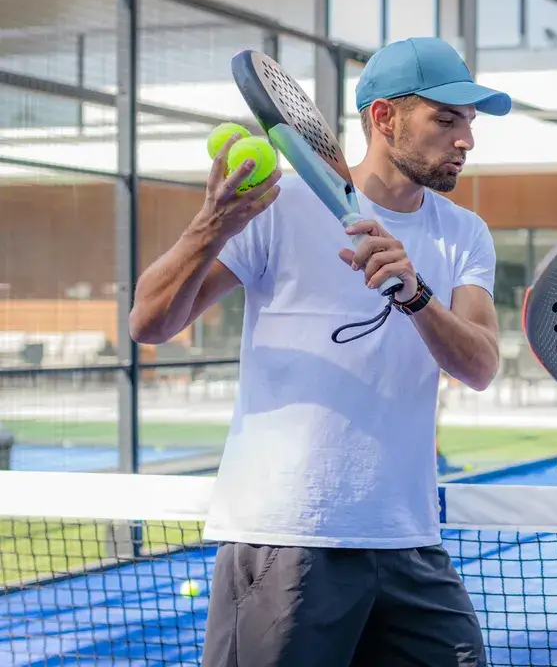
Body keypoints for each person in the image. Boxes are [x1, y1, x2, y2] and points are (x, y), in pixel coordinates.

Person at [130, 36, 510, 666]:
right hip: (286, 536)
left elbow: (479, 365)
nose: (465, 139)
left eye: (468, 121)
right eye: (446, 119)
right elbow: (149, 320)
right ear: (384, 118)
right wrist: (212, 225)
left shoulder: (465, 234)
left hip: (409, 541)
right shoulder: (278, 208)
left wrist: (416, 295)